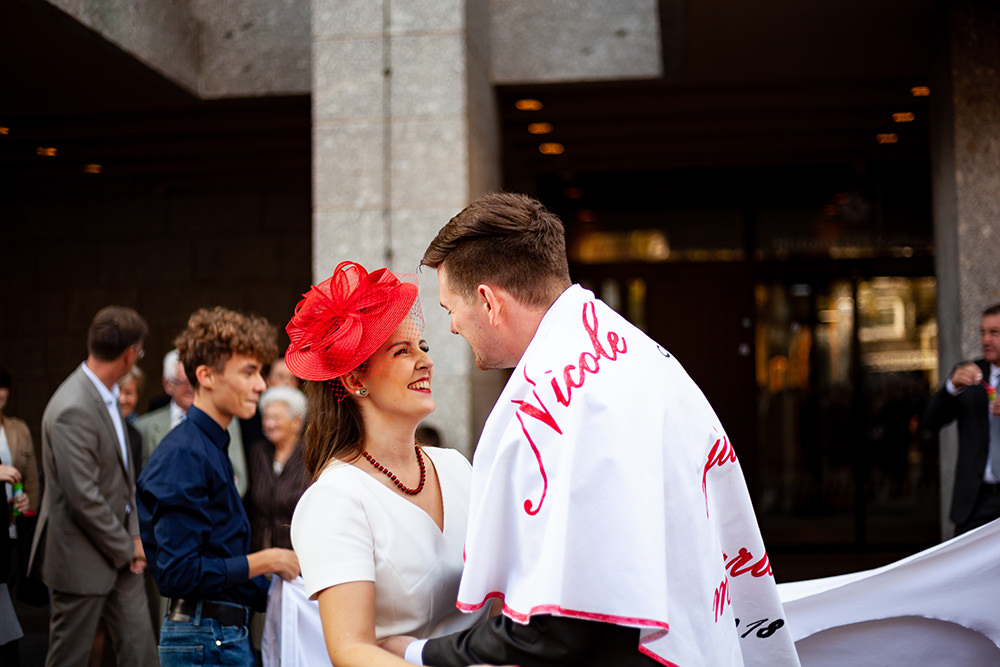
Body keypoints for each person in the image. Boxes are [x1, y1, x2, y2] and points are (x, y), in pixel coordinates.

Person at [391, 193, 799, 667]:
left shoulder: (564, 404)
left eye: (448, 310)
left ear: (487, 301)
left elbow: (560, 631)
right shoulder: (637, 355)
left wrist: (421, 653)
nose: (454, 328)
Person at [286, 261, 488, 667]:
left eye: (423, 348)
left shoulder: (456, 468)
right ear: (354, 379)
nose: (426, 361)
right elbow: (350, 650)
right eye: (402, 351)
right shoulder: (335, 499)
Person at [136, 306, 299, 667]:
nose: (261, 384)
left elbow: (218, 559)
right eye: (249, 372)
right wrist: (268, 560)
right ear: (206, 376)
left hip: (218, 636)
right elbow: (180, 573)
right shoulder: (184, 453)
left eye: (259, 372)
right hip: (204, 639)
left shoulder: (210, 444)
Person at [27, 306, 157, 667]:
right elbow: (82, 496)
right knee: (70, 659)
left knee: (142, 654)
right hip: (81, 558)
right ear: (130, 354)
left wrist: (134, 538)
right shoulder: (72, 406)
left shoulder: (108, 393)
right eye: (140, 352)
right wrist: (127, 547)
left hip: (122, 554)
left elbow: (123, 478)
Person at [923, 302, 1000, 535]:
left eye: (995, 333)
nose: (986, 340)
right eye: (982, 332)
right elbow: (929, 424)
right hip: (975, 502)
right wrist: (950, 388)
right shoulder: (968, 375)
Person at [138, 348, 249, 496]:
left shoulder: (226, 420)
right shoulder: (144, 426)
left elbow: (239, 479)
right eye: (183, 382)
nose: (191, 388)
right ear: (168, 384)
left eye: (195, 381)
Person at [0, 365, 37, 664]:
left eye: (3, 387)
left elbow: (32, 480)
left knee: (8, 600)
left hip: (14, 526)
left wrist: (27, 504)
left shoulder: (18, 428)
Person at [245, 385, 309, 552]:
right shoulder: (257, 453)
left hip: (298, 558)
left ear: (297, 422)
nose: (270, 424)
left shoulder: (310, 457)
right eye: (266, 417)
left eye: (277, 418)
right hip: (261, 554)